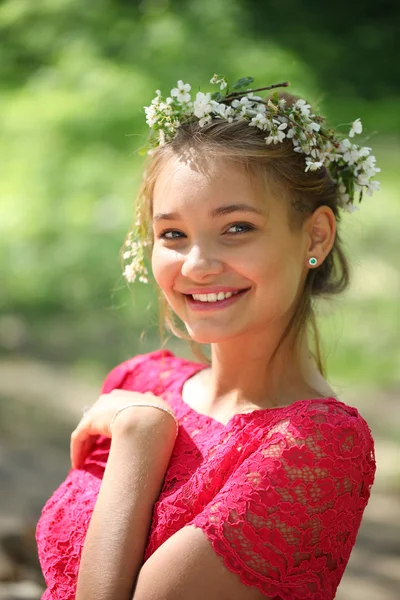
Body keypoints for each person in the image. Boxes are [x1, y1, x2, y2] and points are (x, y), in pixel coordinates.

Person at [35, 74, 378, 600]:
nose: (197, 266)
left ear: (315, 235)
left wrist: (141, 436)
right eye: (173, 234)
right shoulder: (141, 379)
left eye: (237, 227)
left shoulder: (317, 450)